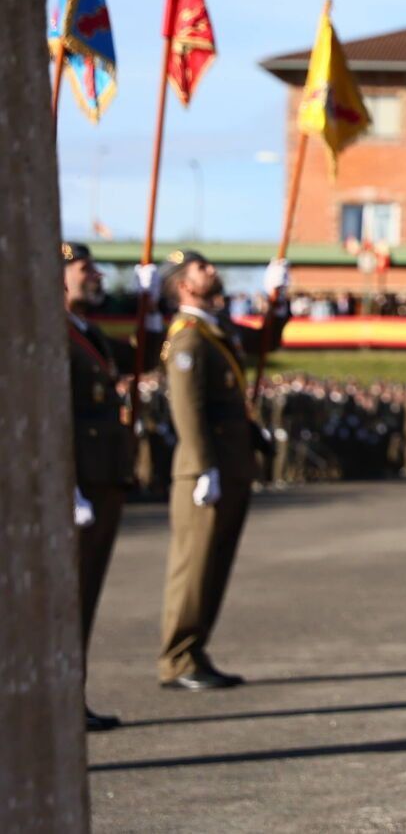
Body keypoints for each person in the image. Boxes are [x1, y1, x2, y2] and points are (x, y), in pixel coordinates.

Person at [155, 249, 290, 690]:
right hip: (205, 471)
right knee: (193, 567)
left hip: (230, 465)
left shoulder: (215, 330)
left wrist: (278, 299)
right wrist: (203, 466)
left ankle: (194, 651)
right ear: (183, 285)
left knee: (215, 565)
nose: (212, 270)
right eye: (201, 268)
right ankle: (176, 658)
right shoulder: (188, 338)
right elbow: (187, 409)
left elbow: (264, 340)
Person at [62, 243, 137, 729]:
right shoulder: (52, 335)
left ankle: (71, 695)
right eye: (84, 269)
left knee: (85, 596)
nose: (95, 276)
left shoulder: (90, 333)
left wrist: (155, 307)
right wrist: (65, 484)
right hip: (81, 484)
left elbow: (148, 355)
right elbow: (52, 415)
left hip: (104, 476)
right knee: (67, 598)